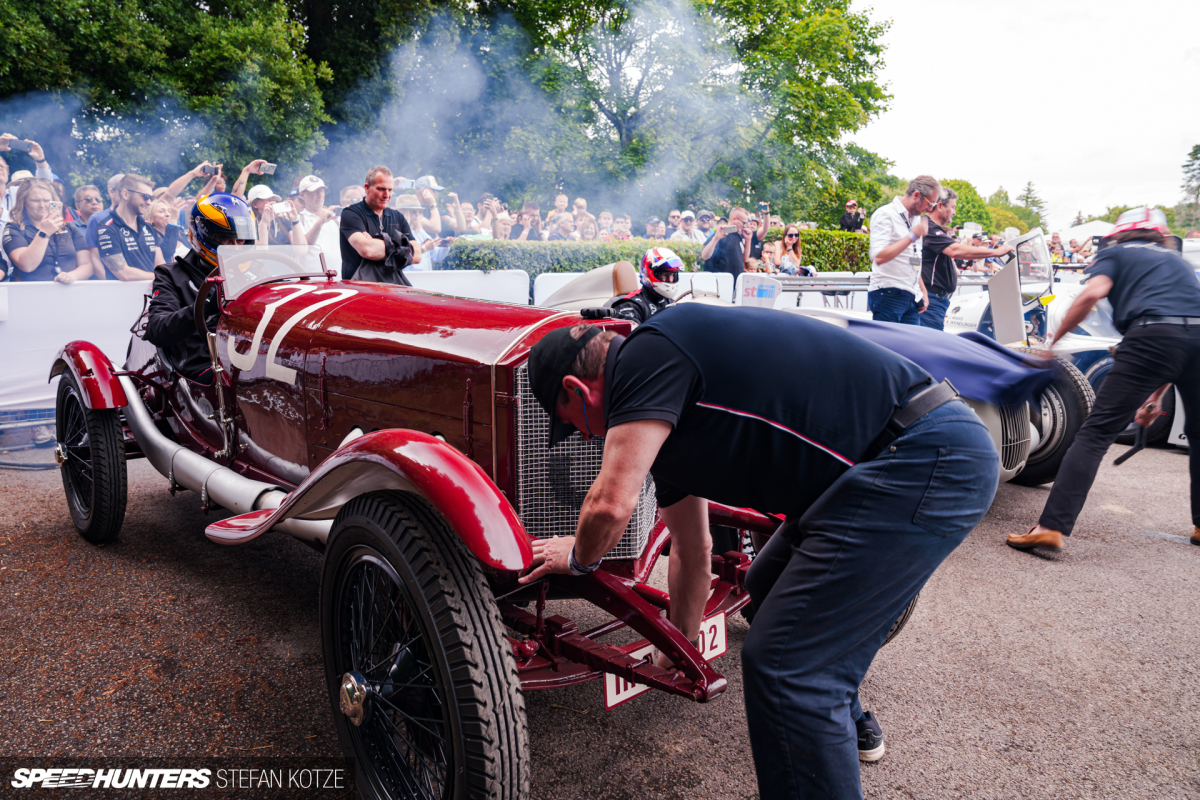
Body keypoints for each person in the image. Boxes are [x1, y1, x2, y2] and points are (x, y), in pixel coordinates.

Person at [517, 303, 998, 799]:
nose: (584, 436)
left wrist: (577, 557)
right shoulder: (669, 419)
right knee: (765, 585)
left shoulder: (649, 355)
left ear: (577, 390)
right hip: (880, 469)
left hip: (922, 456)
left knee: (790, 667)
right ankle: (846, 722)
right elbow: (692, 547)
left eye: (572, 423)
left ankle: (826, 708)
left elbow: (611, 504)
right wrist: (677, 643)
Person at [1009, 206, 1200, 553]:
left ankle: (1050, 528)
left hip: (1150, 335)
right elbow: (1183, 333)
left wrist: (1053, 343)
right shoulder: (1177, 262)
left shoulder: (1116, 253)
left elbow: (1091, 294)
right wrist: (1155, 398)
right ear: (1159, 235)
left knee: (1096, 434)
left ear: (1119, 234)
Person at [146, 194, 258, 384]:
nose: (237, 249)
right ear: (202, 236)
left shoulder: (257, 270)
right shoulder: (171, 275)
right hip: (205, 369)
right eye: (227, 240)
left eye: (241, 241)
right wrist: (206, 306)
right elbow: (157, 329)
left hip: (256, 360)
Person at [919, 189, 1013, 330]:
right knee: (929, 345)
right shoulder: (928, 227)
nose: (954, 212)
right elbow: (955, 250)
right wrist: (995, 252)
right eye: (953, 207)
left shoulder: (932, 227)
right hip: (931, 298)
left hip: (936, 298)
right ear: (939, 206)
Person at [867, 176, 941, 324]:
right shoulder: (886, 214)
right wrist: (912, 236)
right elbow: (879, 256)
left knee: (911, 347)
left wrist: (923, 291)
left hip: (911, 295)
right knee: (887, 346)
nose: (930, 209)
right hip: (888, 293)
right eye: (930, 204)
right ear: (916, 195)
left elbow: (912, 258)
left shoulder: (915, 219)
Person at [1, 178, 93, 283]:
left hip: (68, 292)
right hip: (30, 293)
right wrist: (44, 232)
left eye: (46, 201)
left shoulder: (69, 228)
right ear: (23, 202)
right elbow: (27, 265)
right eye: (35, 200)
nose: (42, 205)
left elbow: (87, 265)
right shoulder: (13, 228)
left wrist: (72, 276)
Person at [340, 166, 415, 282]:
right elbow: (367, 250)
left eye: (390, 190)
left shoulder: (398, 217)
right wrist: (402, 248)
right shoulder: (351, 214)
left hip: (392, 289)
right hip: (359, 289)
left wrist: (378, 244)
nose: (386, 195)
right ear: (367, 188)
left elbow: (416, 253)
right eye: (381, 189)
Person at [95, 173, 163, 281]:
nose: (149, 202)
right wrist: (157, 277)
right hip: (123, 296)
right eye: (145, 196)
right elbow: (123, 273)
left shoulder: (147, 226)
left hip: (151, 294)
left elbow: (160, 264)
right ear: (125, 194)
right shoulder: (106, 228)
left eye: (151, 197)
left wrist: (161, 277)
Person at [609, 247, 683, 324]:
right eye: (664, 275)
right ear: (648, 273)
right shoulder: (629, 305)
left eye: (673, 275)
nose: (670, 280)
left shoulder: (672, 303)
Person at [702, 207, 751, 278]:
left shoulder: (738, 235)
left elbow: (744, 259)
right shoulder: (722, 234)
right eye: (743, 222)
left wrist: (748, 240)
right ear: (735, 219)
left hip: (735, 283)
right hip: (721, 283)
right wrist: (716, 239)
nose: (745, 225)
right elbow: (704, 256)